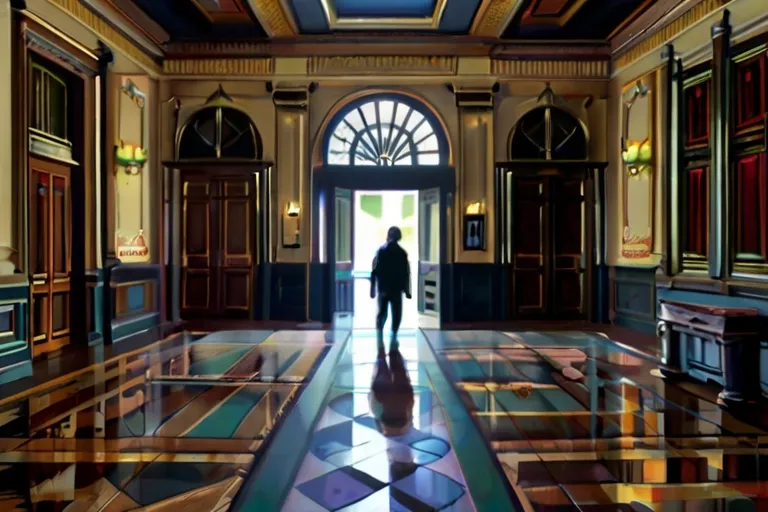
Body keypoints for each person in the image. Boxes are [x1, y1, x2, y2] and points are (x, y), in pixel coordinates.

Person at [370, 226, 411, 349]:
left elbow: (375, 270)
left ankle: (379, 336)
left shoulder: (381, 251)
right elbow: (406, 273)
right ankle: (394, 335)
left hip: (383, 288)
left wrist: (372, 288)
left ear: (388, 236)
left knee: (382, 313)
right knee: (396, 313)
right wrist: (407, 290)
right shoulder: (402, 253)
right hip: (396, 289)